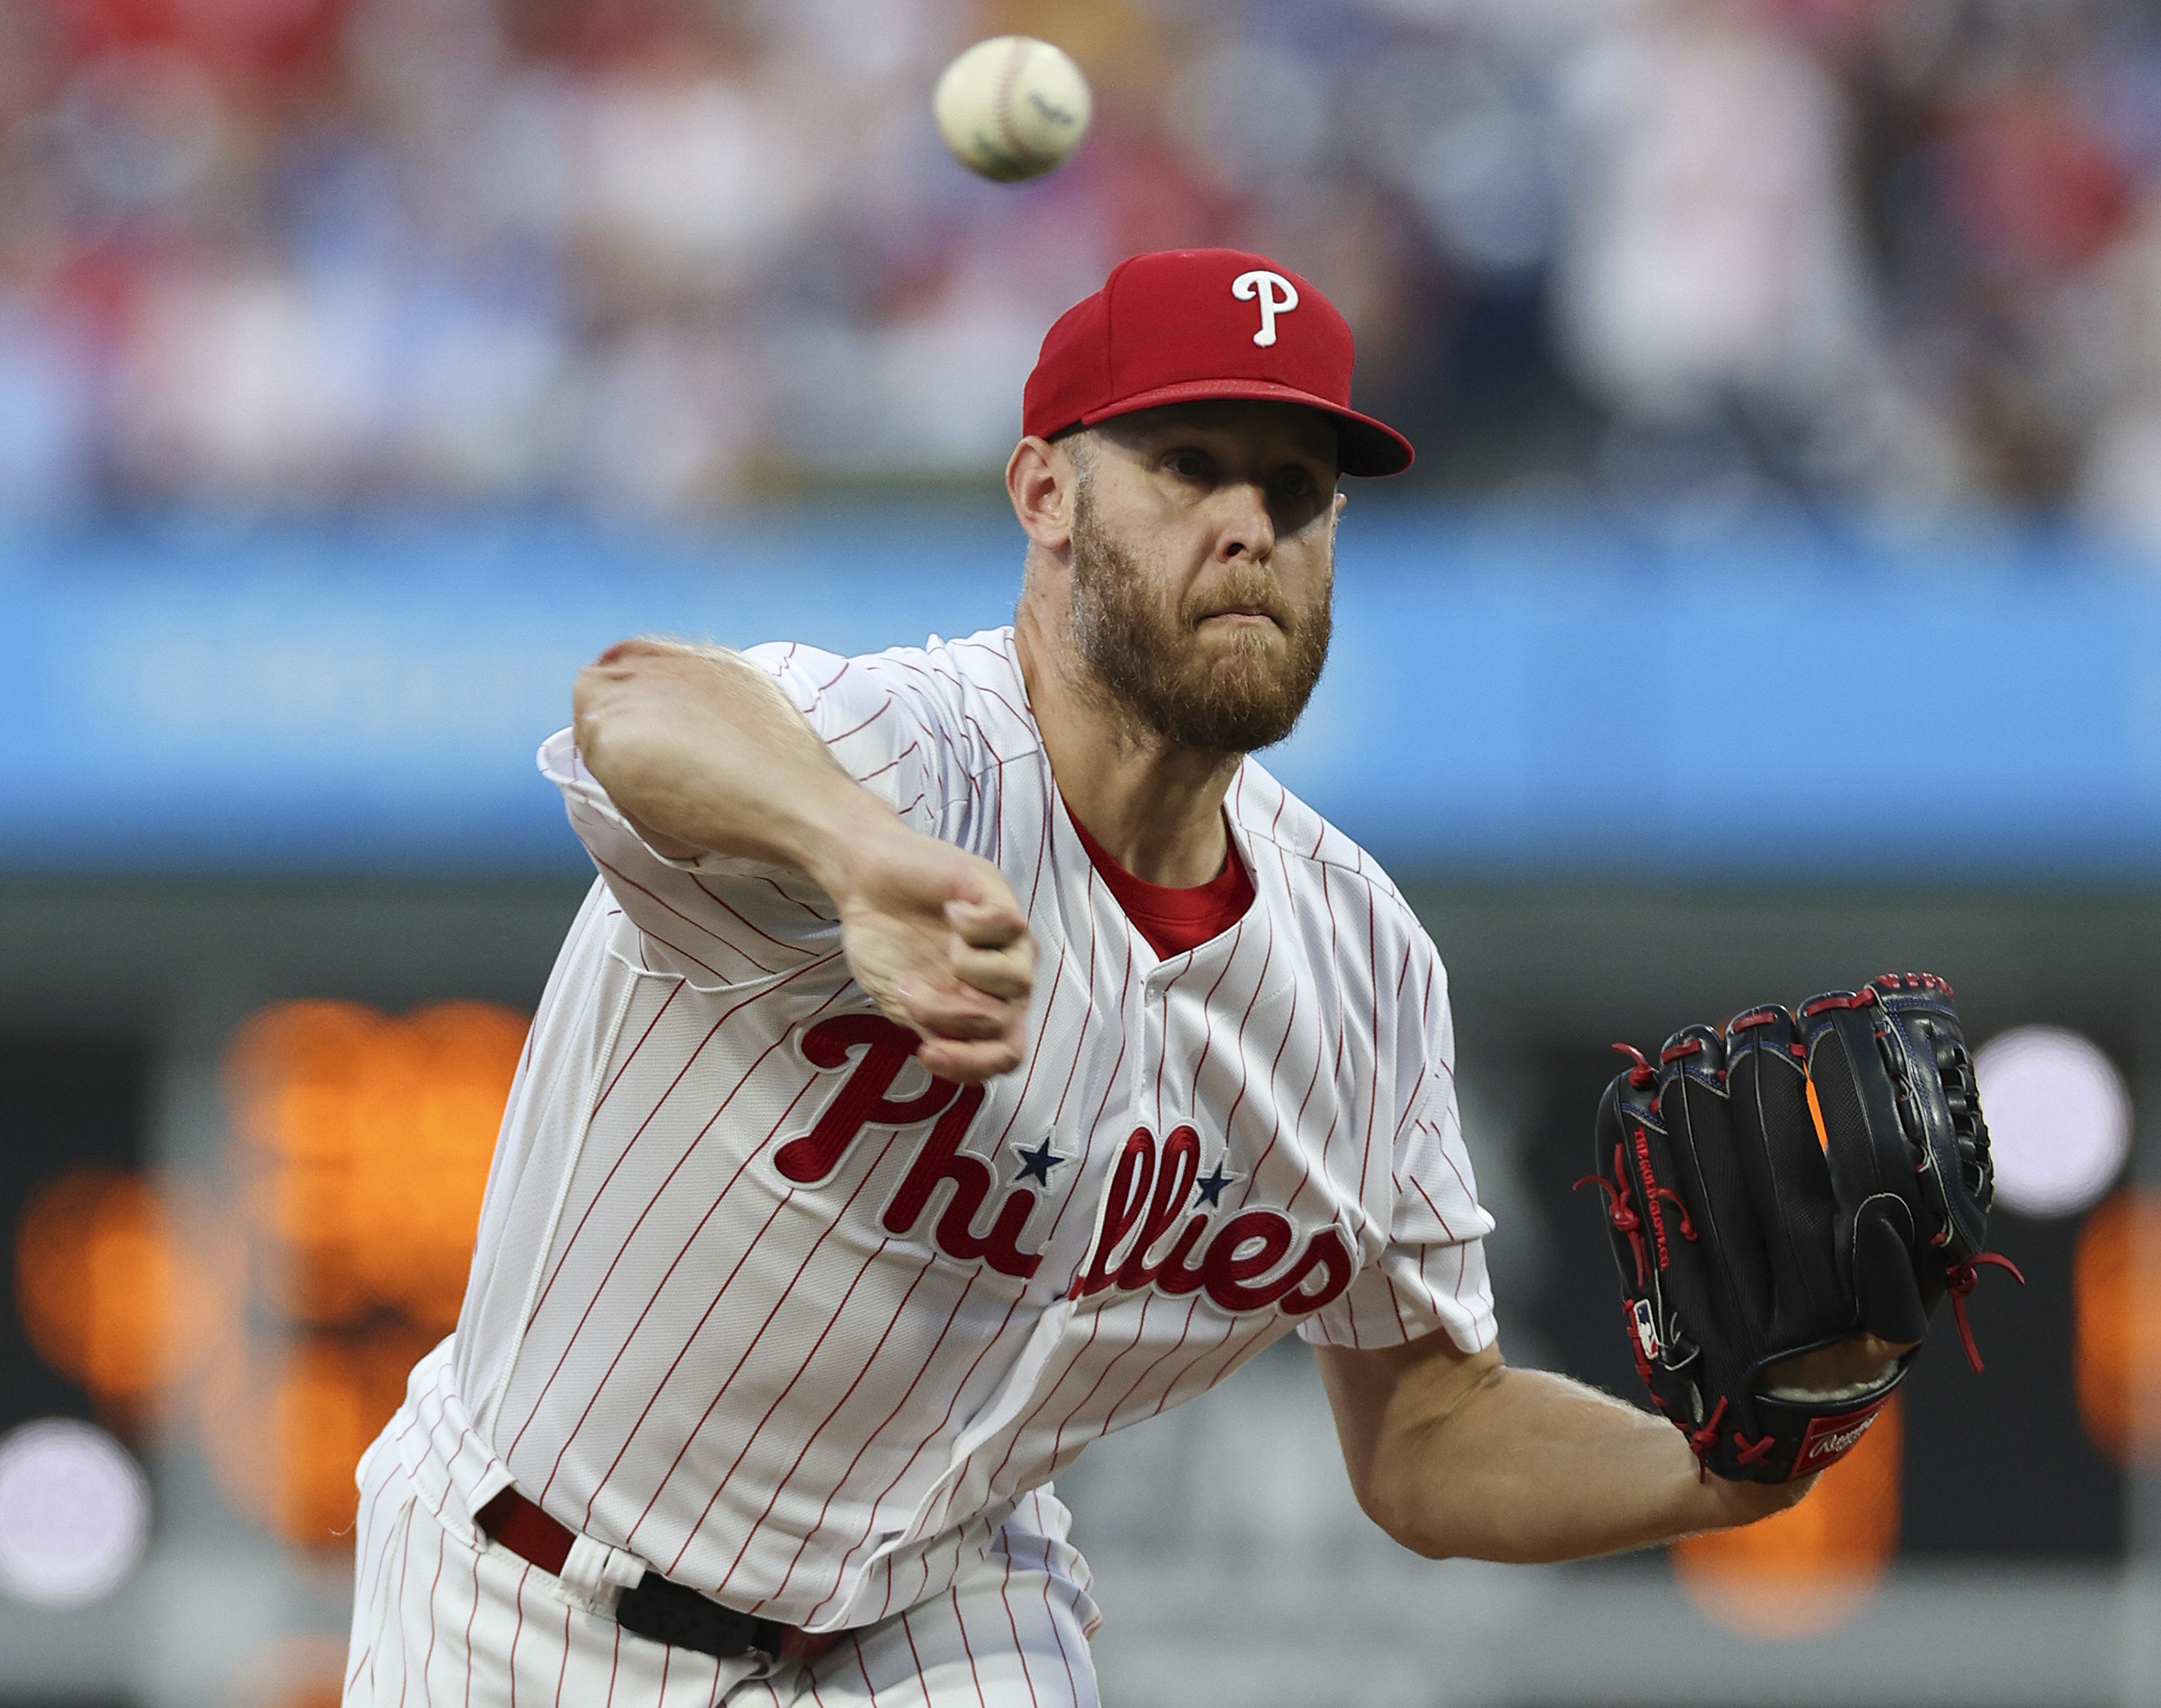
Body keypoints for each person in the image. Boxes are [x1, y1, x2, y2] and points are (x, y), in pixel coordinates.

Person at [343, 249, 1896, 1708]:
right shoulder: (915, 752)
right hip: (526, 1587)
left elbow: (1429, 1431)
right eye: (1189, 465)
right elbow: (639, 703)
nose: (1252, 525)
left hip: (935, 1617)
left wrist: (1723, 1472)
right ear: (1046, 493)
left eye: (1298, 490)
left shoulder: (1358, 968)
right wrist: (853, 856)